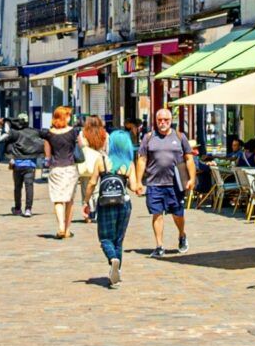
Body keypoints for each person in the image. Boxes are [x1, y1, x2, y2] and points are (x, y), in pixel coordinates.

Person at [76, 119, 130, 284]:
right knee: (119, 239)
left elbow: (92, 183)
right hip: (124, 203)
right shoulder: (128, 163)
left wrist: (86, 201)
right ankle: (117, 270)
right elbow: (135, 186)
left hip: (105, 203)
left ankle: (112, 258)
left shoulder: (103, 160)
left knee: (105, 238)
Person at [138, 105, 195, 256]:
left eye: (166, 119)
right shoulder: (149, 138)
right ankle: (159, 246)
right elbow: (142, 160)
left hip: (175, 184)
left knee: (178, 214)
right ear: (156, 121)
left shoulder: (180, 136)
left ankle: (182, 235)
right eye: (160, 120)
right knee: (157, 214)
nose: (163, 122)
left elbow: (189, 159)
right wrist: (138, 181)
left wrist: (192, 179)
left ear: (171, 120)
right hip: (154, 183)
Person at [41, 105, 85, 239]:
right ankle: (67, 229)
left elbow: (47, 155)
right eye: (69, 115)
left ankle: (60, 226)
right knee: (69, 200)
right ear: (64, 117)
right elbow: (81, 146)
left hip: (56, 168)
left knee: (58, 199)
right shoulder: (73, 132)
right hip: (70, 168)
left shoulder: (49, 134)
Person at [1, 116, 47, 218]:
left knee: (17, 187)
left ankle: (18, 209)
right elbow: (47, 134)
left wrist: (3, 124)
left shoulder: (15, 133)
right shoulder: (34, 132)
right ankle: (28, 209)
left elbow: (1, 139)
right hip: (30, 164)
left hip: (17, 164)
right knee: (29, 187)